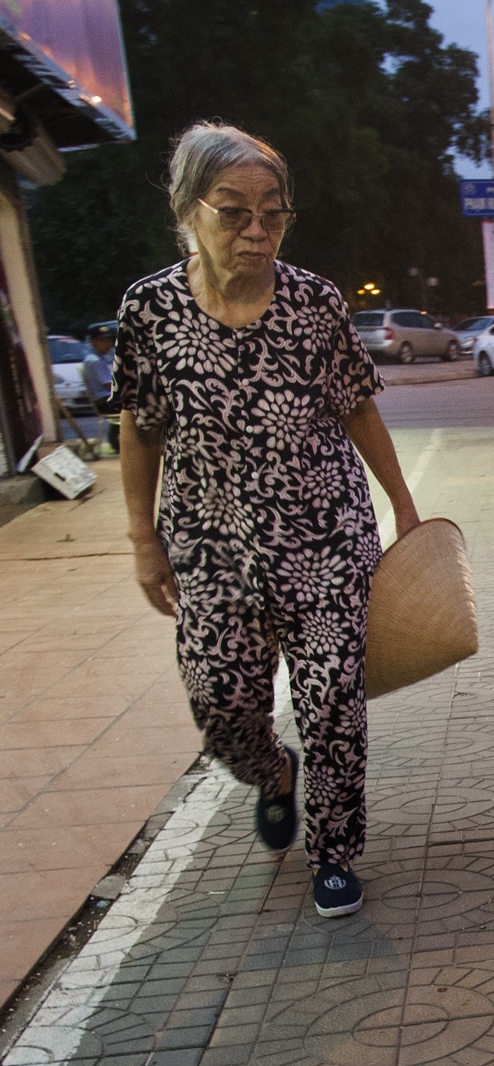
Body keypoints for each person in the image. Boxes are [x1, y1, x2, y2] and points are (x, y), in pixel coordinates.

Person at [114, 122, 420, 919]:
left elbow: (357, 403)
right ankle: (271, 773)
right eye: (233, 211)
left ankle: (334, 853)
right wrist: (144, 541)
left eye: (273, 213)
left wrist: (404, 502)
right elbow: (141, 427)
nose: (256, 230)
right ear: (189, 209)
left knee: (331, 704)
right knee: (220, 699)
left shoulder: (315, 302)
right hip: (211, 551)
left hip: (324, 540)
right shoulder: (149, 309)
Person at [83, 323, 118, 451]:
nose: (107, 343)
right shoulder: (94, 361)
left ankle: (117, 441)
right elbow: (110, 385)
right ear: (93, 342)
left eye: (109, 340)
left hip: (109, 399)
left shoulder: (103, 358)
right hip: (105, 402)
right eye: (102, 340)